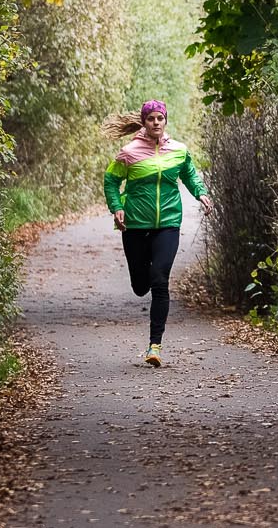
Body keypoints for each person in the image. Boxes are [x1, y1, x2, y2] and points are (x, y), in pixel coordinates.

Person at [100, 100, 214, 367]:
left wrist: (202, 193)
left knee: (160, 280)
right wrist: (117, 207)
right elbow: (111, 181)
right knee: (141, 286)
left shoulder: (179, 151)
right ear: (144, 122)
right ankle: (143, 279)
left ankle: (155, 346)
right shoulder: (128, 153)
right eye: (150, 118)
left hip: (168, 224)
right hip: (135, 226)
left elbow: (190, 175)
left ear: (165, 121)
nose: (156, 123)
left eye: (159, 118)